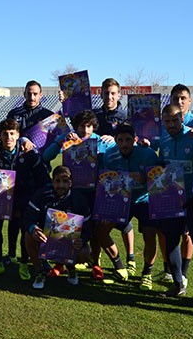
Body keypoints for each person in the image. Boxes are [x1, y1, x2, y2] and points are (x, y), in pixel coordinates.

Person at [42, 110, 123, 281]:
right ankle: (60, 264)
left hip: (94, 192)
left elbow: (124, 149)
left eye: (89, 126)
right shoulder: (70, 140)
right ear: (76, 126)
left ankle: (95, 264)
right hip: (71, 192)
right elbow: (46, 156)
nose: (85, 130)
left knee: (93, 230)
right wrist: (60, 141)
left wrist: (114, 140)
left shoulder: (101, 141)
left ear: (94, 126)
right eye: (82, 126)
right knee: (65, 225)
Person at [156, 84, 193, 285]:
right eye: (167, 121)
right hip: (171, 200)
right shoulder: (164, 143)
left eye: (175, 120)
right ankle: (178, 284)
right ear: (163, 122)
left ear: (182, 118)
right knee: (171, 242)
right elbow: (161, 166)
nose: (171, 124)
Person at [0, 118, 51, 280]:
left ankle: (24, 264)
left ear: (18, 135)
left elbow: (43, 178)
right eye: (5, 134)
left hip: (23, 200)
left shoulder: (29, 154)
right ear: (0, 135)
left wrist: (35, 199)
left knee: (23, 231)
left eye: (12, 133)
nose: (8, 137)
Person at [101, 123, 159, 291]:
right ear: (116, 141)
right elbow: (106, 181)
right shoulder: (109, 155)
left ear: (135, 139)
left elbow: (159, 180)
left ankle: (147, 273)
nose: (124, 144)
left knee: (149, 234)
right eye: (120, 140)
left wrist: (144, 178)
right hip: (120, 199)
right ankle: (120, 266)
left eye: (128, 140)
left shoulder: (148, 154)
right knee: (101, 229)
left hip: (143, 199)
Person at [24, 166, 92, 289]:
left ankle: (71, 267)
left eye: (65, 181)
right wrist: (33, 228)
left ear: (70, 183)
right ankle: (40, 272)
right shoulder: (42, 195)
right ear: (52, 181)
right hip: (45, 239)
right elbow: (28, 217)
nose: (61, 185)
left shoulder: (79, 199)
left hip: (69, 242)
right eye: (57, 181)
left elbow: (88, 227)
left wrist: (82, 240)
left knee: (85, 252)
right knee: (29, 236)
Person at [7, 80, 54, 153]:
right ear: (24, 94)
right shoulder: (13, 114)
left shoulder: (49, 115)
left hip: (41, 159)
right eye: (29, 94)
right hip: (18, 158)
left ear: (40, 95)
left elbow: (57, 139)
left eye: (35, 94)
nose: (32, 97)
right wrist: (22, 140)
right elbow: (7, 137)